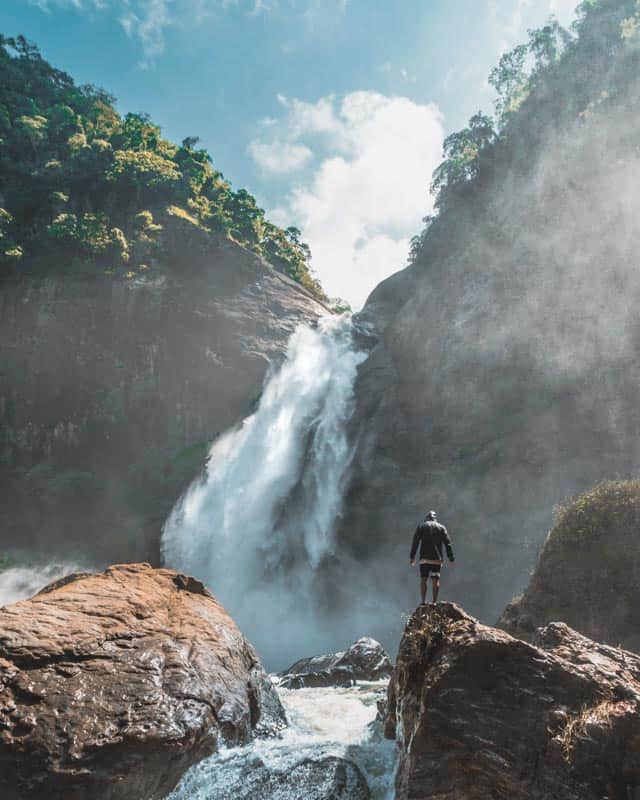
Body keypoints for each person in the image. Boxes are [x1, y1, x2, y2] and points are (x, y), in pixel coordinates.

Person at [409, 510, 455, 605]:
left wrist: (412, 556)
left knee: (423, 579)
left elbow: (415, 542)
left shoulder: (422, 526)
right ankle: (434, 602)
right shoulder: (441, 527)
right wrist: (451, 558)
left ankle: (423, 602)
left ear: (426, 518)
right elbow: (448, 544)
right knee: (435, 579)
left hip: (424, 559)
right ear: (435, 519)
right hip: (436, 559)